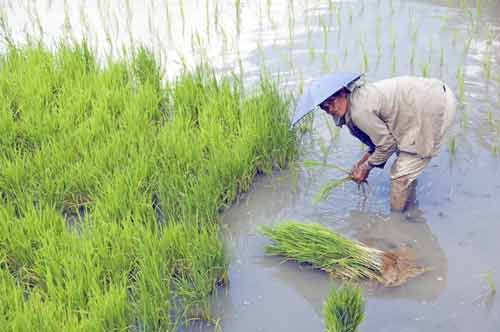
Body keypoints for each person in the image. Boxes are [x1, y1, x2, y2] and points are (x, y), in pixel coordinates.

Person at [319, 76, 456, 212]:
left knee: (400, 176)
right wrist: (362, 163)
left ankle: (397, 223)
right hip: (430, 95)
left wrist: (366, 168)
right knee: (405, 164)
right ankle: (409, 207)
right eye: (324, 107)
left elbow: (387, 145)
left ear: (343, 92)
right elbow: (379, 142)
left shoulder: (359, 111)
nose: (330, 108)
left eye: (332, 101)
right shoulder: (355, 101)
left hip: (434, 107)